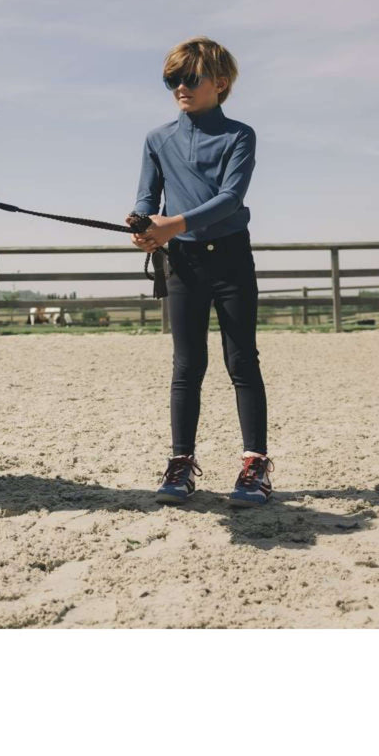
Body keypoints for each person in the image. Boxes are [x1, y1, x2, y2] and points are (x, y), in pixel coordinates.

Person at [126, 36, 272, 507]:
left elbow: (230, 198)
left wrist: (173, 224)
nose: (180, 88)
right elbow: (147, 197)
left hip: (231, 258)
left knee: (242, 361)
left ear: (220, 83)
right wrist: (143, 226)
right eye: (172, 80)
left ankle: (255, 466)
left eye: (190, 78)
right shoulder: (157, 139)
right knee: (187, 366)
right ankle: (181, 463)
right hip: (183, 263)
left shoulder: (240, 136)